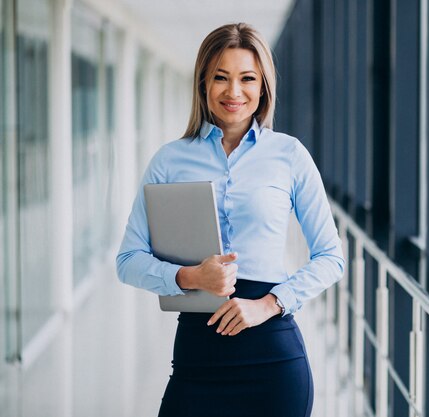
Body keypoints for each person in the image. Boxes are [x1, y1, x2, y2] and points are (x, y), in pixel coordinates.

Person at [116, 22, 344, 417]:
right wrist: (190, 278)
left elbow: (331, 257)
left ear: (263, 87)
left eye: (247, 78)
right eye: (221, 77)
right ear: (203, 83)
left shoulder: (289, 155)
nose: (234, 92)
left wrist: (269, 304)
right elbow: (127, 260)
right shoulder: (169, 160)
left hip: (273, 361)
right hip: (196, 358)